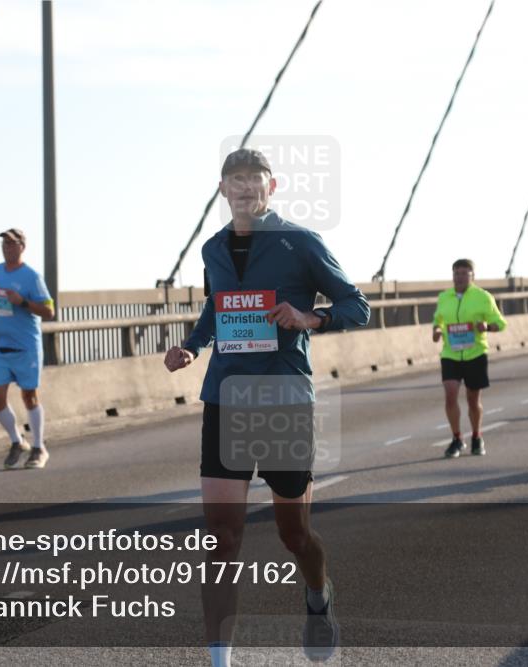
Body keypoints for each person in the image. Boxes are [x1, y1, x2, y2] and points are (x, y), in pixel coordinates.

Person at [164, 148, 369, 667]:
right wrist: (192, 345)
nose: (245, 190)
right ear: (223, 190)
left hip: (282, 398)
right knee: (220, 537)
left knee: (293, 533)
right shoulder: (212, 248)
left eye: (254, 181)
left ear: (270, 188)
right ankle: (220, 660)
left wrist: (310, 318)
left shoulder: (300, 242)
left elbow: (355, 305)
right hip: (225, 397)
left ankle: (318, 597)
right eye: (236, 182)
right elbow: (218, 307)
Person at [0, 229, 55, 469]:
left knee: (29, 396)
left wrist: (22, 302)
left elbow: (49, 311)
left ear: (22, 246)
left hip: (25, 346)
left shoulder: (32, 277)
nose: (7, 247)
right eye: (4, 243)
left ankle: (39, 447)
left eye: (12, 244)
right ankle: (17, 441)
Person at [431, 259, 507, 458]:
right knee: (450, 393)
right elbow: (437, 320)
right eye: (457, 273)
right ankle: (457, 439)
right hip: (450, 353)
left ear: (472, 276)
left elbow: (500, 323)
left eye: (465, 273)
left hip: (475, 353)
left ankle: (476, 436)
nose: (460, 277)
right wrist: (437, 330)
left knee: (473, 400)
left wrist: (487, 327)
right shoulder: (444, 297)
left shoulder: (483, 297)